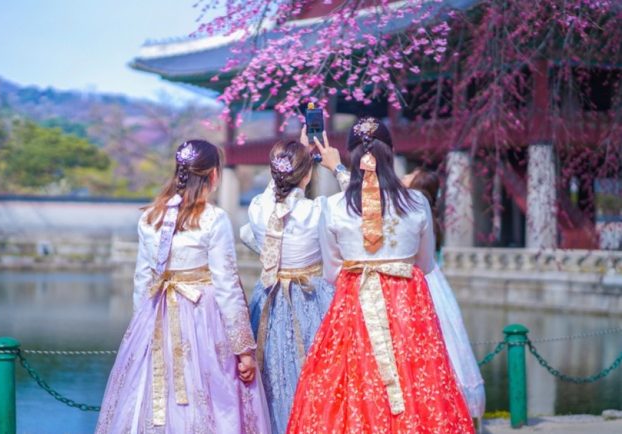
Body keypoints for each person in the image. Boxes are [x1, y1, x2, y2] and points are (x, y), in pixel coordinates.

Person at [287, 118, 474, 433]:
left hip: (353, 307)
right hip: (409, 310)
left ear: (351, 156)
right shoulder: (417, 203)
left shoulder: (333, 206)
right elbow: (426, 264)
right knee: (416, 381)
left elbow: (332, 271)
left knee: (355, 382)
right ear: (391, 154)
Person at [95, 140, 270, 434]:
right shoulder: (214, 219)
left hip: (157, 316)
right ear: (214, 175)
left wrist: (145, 327)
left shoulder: (149, 217)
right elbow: (227, 287)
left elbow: (143, 281)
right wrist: (244, 350)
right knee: (210, 394)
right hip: (203, 317)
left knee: (152, 396)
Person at [240, 128, 348, 434]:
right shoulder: (318, 211)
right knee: (315, 374)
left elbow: (273, 195)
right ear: (306, 176)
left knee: (273, 375)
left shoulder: (258, 208)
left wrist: (294, 156)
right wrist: (336, 166)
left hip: (269, 297)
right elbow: (359, 203)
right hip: (312, 297)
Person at [403, 167, 486, 421]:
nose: (404, 176)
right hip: (435, 281)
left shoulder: (415, 211)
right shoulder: (428, 214)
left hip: (419, 281)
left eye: (410, 175)